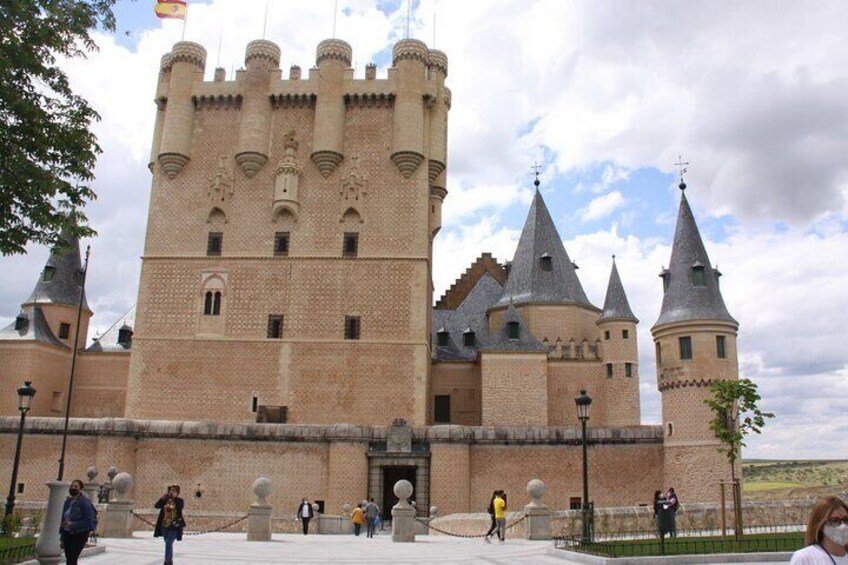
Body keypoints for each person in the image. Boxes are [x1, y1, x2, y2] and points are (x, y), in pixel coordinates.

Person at [790, 496, 848, 564]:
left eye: (846, 519)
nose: (843, 526)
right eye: (834, 521)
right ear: (820, 525)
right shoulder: (804, 558)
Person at [60, 479, 96, 565]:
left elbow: (89, 520)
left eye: (76, 486)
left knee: (72, 558)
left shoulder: (84, 502)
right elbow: (63, 518)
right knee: (69, 558)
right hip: (67, 533)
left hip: (79, 534)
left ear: (81, 489)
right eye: (72, 486)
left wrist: (73, 524)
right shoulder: (68, 502)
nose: (73, 488)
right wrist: (62, 537)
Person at [154, 484, 185, 565]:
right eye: (171, 490)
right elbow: (156, 506)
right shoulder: (165, 500)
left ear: (177, 492)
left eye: (174, 490)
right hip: (164, 525)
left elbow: (180, 507)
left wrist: (174, 498)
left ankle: (167, 562)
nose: (171, 492)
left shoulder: (180, 501)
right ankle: (170, 561)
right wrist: (162, 499)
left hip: (174, 526)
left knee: (168, 543)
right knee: (168, 544)